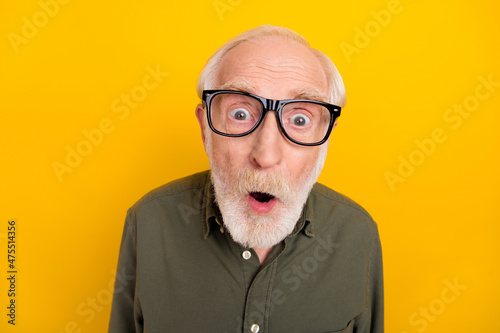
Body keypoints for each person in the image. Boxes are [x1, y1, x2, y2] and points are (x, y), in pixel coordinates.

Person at [109, 25, 383, 333]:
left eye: (300, 120)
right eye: (240, 114)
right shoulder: (148, 222)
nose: (265, 155)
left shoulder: (358, 234)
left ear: (326, 140)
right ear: (205, 129)